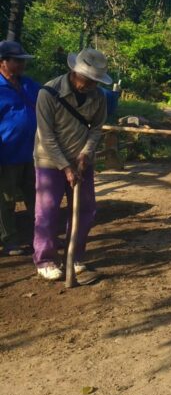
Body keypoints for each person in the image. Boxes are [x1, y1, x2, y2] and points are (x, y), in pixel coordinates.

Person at [33, 48, 110, 281]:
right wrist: (65, 167)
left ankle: (74, 256)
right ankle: (45, 260)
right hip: (49, 160)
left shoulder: (99, 96)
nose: (89, 85)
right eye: (86, 80)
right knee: (47, 211)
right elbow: (47, 137)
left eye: (94, 82)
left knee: (86, 209)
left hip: (82, 161)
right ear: (74, 72)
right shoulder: (48, 92)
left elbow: (96, 129)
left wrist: (85, 154)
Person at [0, 41, 39, 256]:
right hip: (7, 154)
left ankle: (43, 236)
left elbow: (50, 97)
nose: (22, 64)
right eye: (17, 60)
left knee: (37, 197)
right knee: (6, 200)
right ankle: (10, 241)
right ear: (3, 62)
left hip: (33, 153)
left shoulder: (28, 85)